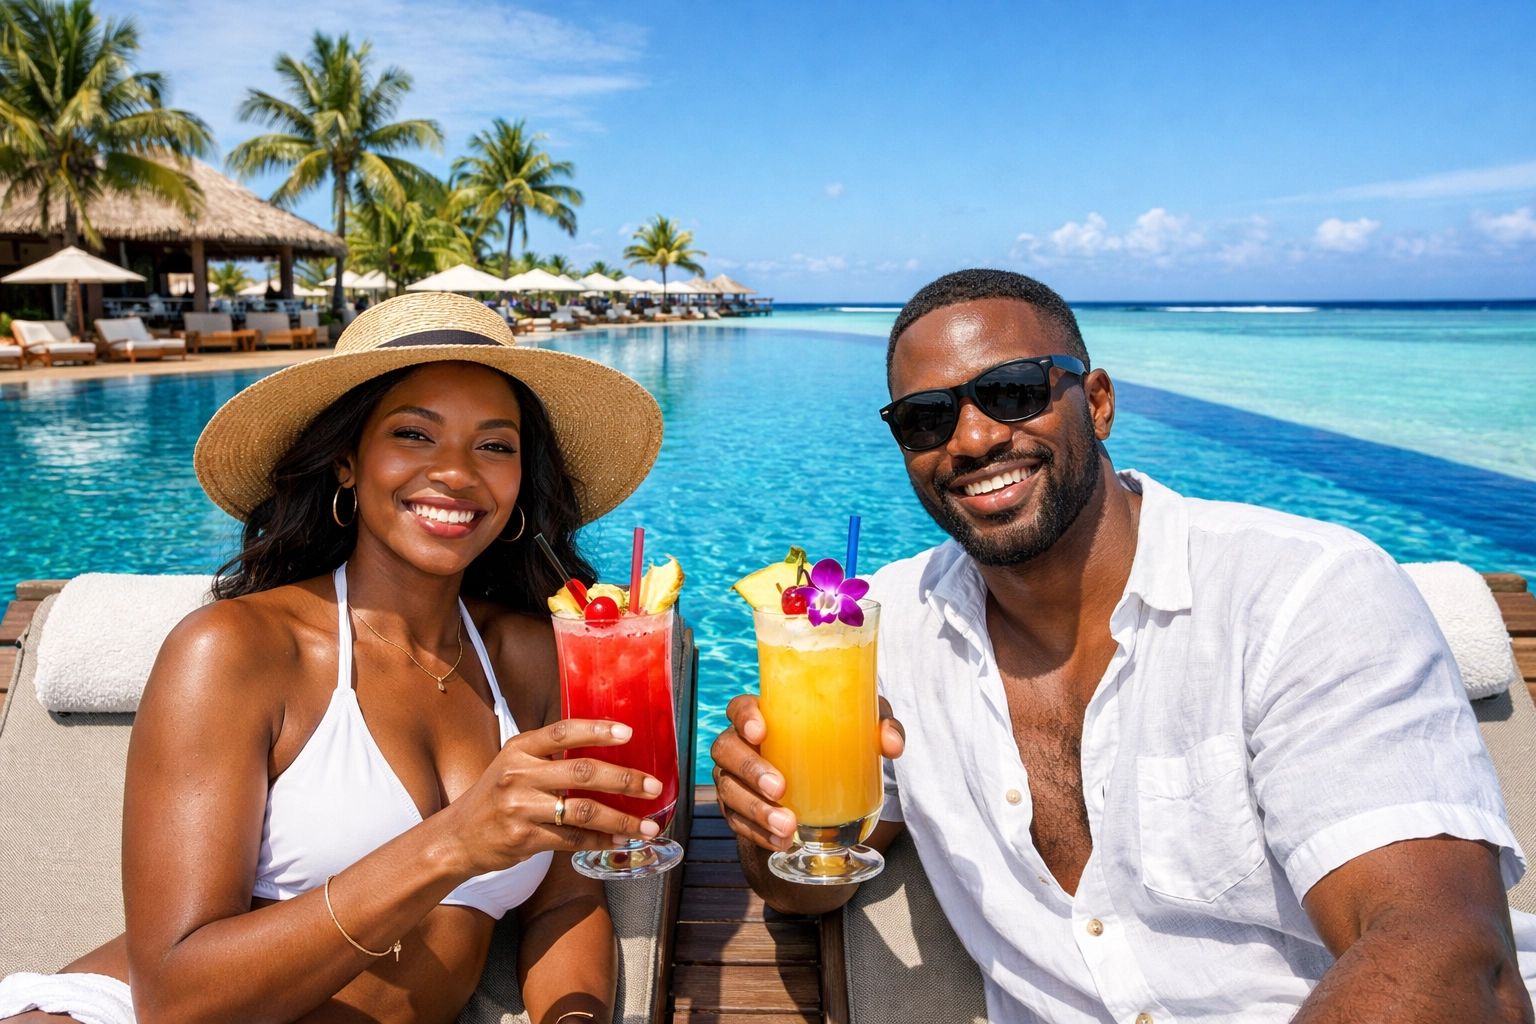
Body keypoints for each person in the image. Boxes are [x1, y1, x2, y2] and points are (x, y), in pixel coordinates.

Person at [711, 269, 1536, 1022]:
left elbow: (1448, 958)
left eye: (1011, 391)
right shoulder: (884, 624)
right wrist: (769, 826)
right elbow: (812, 888)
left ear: (1097, 401)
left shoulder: (1302, 594)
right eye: (926, 418)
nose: (968, 441)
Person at [0, 293, 666, 1024]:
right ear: (346, 461)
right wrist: (451, 843)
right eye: (414, 434)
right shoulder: (238, 651)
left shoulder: (534, 655)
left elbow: (566, 900)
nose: (456, 472)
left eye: (495, 445)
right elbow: (175, 999)